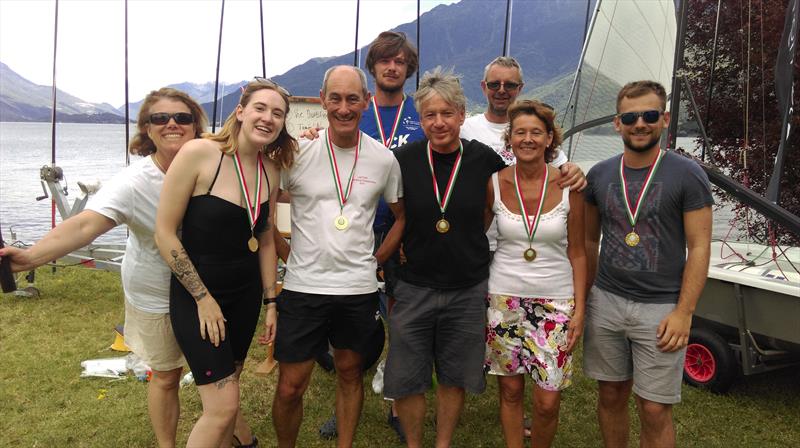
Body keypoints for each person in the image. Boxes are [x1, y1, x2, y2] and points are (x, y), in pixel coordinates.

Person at [0, 88, 265, 448]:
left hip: (217, 290)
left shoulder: (219, 158)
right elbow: (84, 225)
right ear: (147, 129)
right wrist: (30, 257)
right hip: (156, 290)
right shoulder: (134, 181)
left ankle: (234, 435)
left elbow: (259, 204)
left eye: (182, 118)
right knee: (167, 376)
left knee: (223, 380)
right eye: (160, 118)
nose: (172, 124)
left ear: (197, 125)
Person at [155, 79, 295, 446]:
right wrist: (203, 298)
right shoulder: (200, 154)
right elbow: (165, 234)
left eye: (277, 113)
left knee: (227, 401)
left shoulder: (271, 170)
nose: (268, 118)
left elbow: (265, 239)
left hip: (245, 295)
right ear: (241, 112)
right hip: (198, 295)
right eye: (261, 108)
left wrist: (270, 302)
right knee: (222, 407)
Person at [271, 65, 404, 448]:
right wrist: (288, 255)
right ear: (322, 99)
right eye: (335, 98)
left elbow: (401, 217)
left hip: (357, 289)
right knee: (290, 386)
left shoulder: (383, 160)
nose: (344, 108)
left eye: (352, 99)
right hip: (303, 286)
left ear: (366, 101)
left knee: (350, 372)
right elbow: (264, 215)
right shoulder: (296, 154)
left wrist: (376, 260)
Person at [583, 80, 713, 447]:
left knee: (654, 408)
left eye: (650, 115)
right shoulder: (601, 174)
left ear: (665, 119)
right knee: (610, 395)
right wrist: (587, 296)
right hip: (606, 301)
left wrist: (685, 312)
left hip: (661, 308)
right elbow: (590, 240)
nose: (640, 123)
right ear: (617, 123)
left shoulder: (688, 174)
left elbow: (700, 246)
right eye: (631, 116)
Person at [383, 67, 506, 448]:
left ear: (461, 113)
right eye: (429, 115)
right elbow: (395, 216)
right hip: (414, 284)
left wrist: (566, 171)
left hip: (467, 287)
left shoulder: (484, 159)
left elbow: (509, 196)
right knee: (406, 378)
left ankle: (443, 444)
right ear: (420, 119)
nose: (439, 123)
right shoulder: (402, 159)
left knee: (454, 375)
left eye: (447, 113)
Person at [483, 100, 586, 448]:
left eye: (535, 133)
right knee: (510, 391)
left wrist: (580, 310)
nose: (527, 139)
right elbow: (473, 235)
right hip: (504, 299)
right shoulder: (494, 184)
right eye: (520, 132)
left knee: (547, 399)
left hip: (556, 302)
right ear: (509, 139)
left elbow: (578, 251)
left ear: (548, 140)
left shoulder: (570, 184)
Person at [461, 56, 583, 258]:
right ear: (484, 87)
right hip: (479, 242)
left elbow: (563, 171)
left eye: (509, 85)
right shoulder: (464, 130)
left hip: (524, 244)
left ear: (520, 88)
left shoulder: (534, 133)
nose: (501, 90)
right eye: (494, 84)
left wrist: (574, 170)